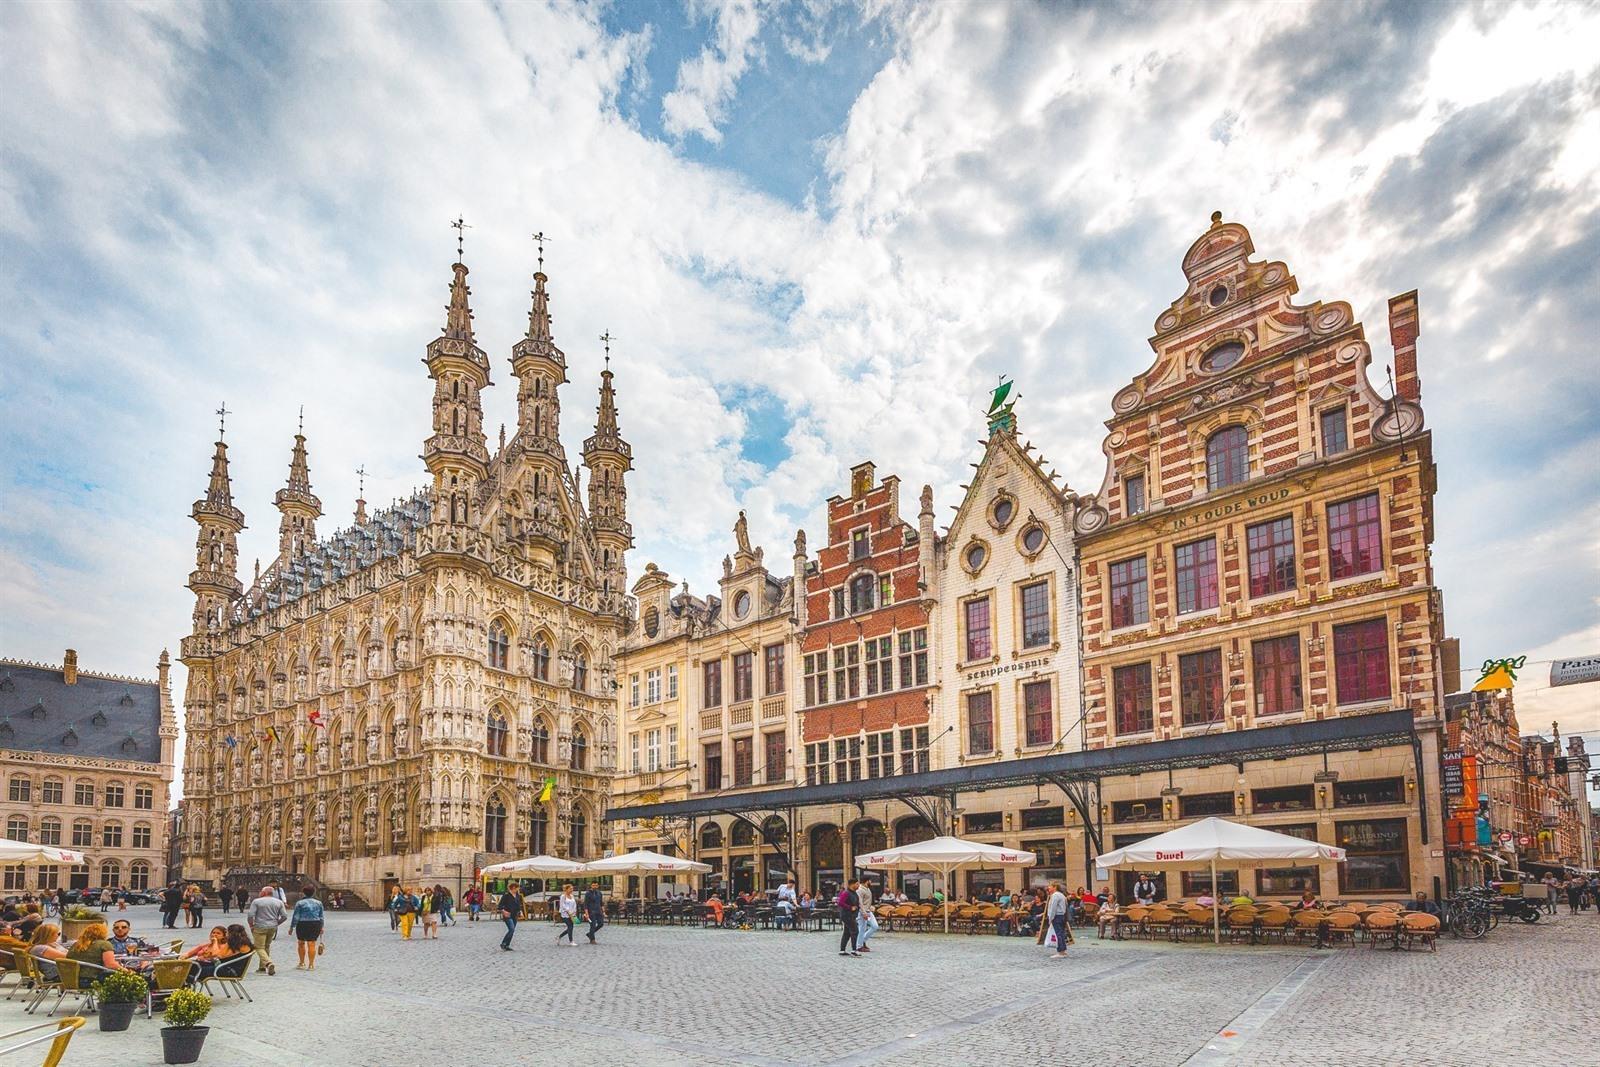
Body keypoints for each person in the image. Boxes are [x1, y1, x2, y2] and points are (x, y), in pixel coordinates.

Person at [244, 885, 288, 974]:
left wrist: (251, 925)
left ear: (264, 892)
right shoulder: (279, 902)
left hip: (260, 926)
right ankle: (262, 968)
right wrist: (277, 923)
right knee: (266, 946)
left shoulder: (257, 901)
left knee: (259, 947)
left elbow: (250, 915)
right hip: (272, 927)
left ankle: (268, 963)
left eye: (261, 891)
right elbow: (284, 916)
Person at [290, 886, 325, 969]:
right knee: (311, 944)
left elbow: (296, 916)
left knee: (301, 943)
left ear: (304, 893)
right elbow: (321, 916)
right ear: (313, 893)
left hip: (302, 923)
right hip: (315, 923)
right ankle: (311, 964)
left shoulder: (300, 903)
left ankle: (302, 963)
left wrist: (292, 927)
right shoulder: (318, 903)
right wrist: (322, 927)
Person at [1046, 883, 1070, 959]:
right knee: (1061, 933)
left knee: (1058, 934)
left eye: (1050, 886)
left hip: (1057, 916)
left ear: (1055, 887)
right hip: (1062, 916)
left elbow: (1053, 907)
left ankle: (1060, 951)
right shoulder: (1062, 895)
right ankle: (1063, 950)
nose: (1048, 888)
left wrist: (1050, 918)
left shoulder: (1055, 895)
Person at [837, 880, 860, 958]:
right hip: (847, 915)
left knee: (847, 932)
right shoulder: (846, 893)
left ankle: (842, 950)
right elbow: (840, 902)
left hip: (852, 915)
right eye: (857, 884)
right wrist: (850, 907)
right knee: (855, 931)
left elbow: (856, 903)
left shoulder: (854, 893)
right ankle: (854, 950)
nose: (858, 885)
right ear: (852, 884)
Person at [497, 882, 523, 951]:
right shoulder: (506, 895)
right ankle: (503, 943)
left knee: (512, 930)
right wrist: (504, 911)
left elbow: (518, 905)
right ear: (513, 888)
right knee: (511, 929)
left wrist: (520, 911)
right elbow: (499, 906)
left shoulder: (517, 895)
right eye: (516, 888)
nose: (517, 889)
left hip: (515, 915)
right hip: (508, 915)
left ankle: (507, 945)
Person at [855, 879, 878, 953]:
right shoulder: (860, 890)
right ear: (867, 881)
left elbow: (867, 901)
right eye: (870, 881)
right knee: (862, 928)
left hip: (868, 911)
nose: (871, 882)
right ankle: (859, 946)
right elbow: (860, 902)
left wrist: (871, 906)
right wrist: (863, 912)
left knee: (875, 926)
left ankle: (863, 940)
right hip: (862, 912)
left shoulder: (868, 889)